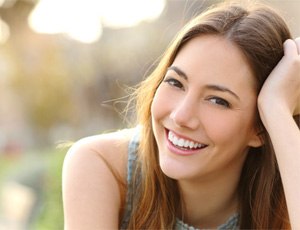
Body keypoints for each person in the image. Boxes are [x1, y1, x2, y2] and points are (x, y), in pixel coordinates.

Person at [62, 1, 300, 229]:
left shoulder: (287, 193)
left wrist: (277, 110)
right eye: (175, 82)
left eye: (218, 100)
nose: (181, 116)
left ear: (260, 128)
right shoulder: (102, 166)